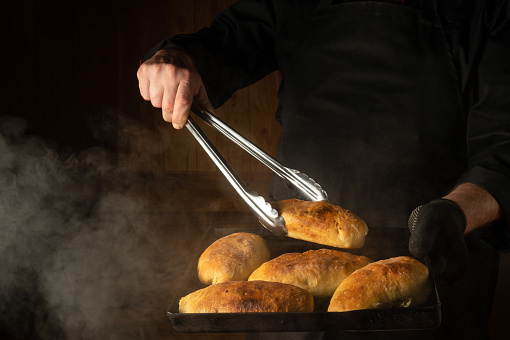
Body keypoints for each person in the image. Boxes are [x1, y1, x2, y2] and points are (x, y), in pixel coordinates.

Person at [137, 0, 510, 338]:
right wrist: (174, 60)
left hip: (439, 247)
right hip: (294, 244)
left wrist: (455, 213)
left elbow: (504, 148)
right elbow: (224, 42)